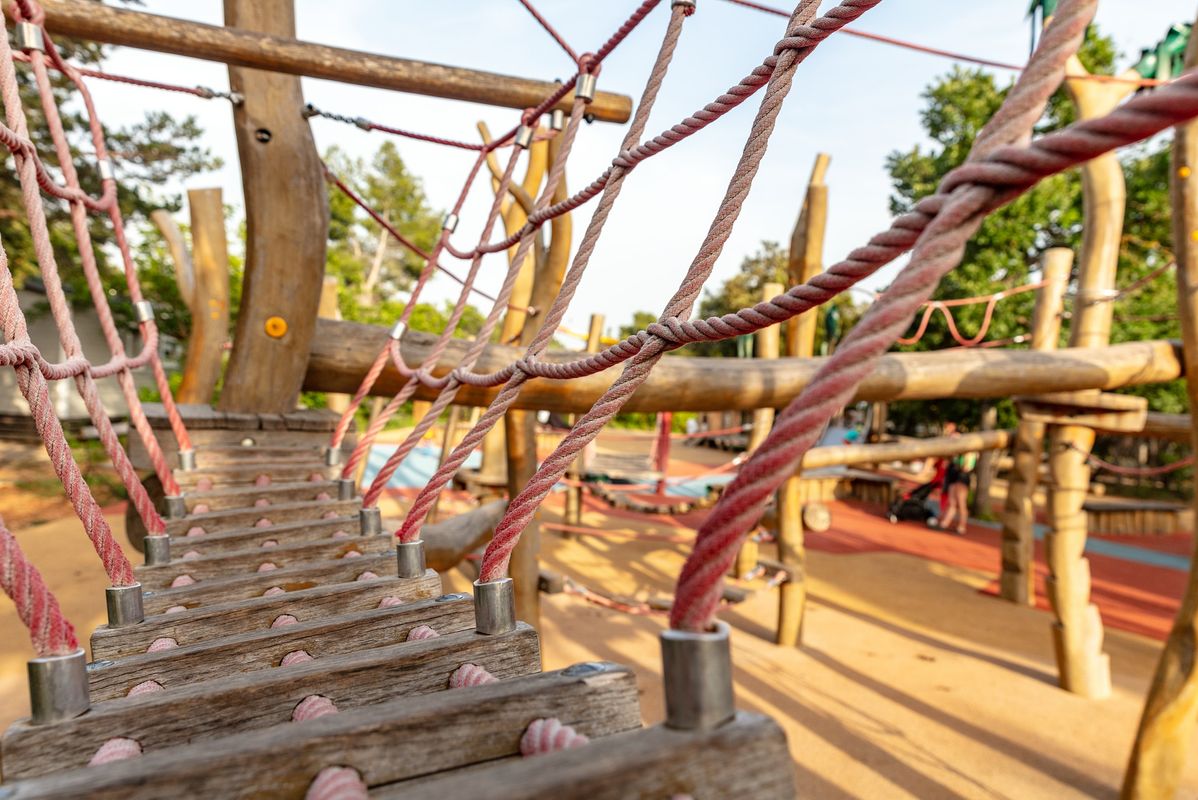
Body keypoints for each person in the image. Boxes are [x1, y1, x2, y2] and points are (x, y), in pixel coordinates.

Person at [935, 422, 977, 535]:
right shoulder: (953, 454)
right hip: (953, 476)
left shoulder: (967, 452)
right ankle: (944, 523)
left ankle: (962, 526)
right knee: (952, 502)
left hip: (961, 478)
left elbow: (967, 467)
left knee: (961, 503)